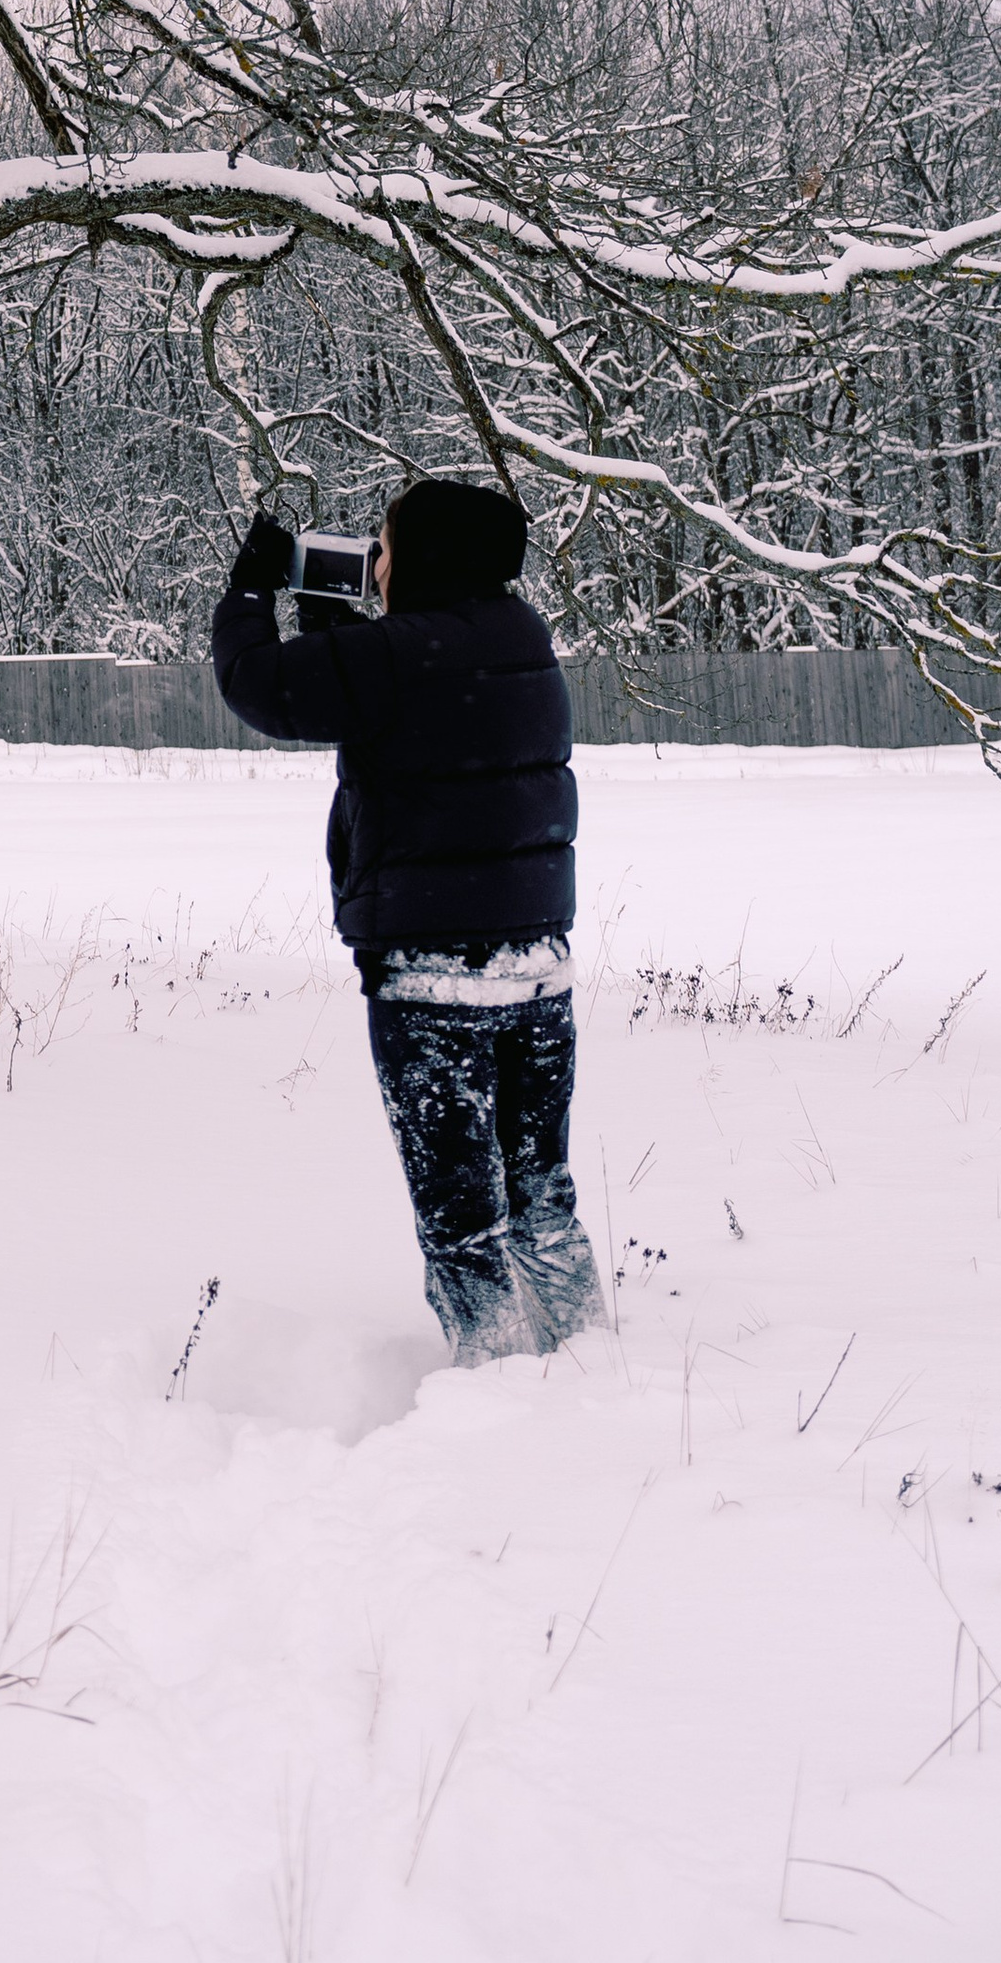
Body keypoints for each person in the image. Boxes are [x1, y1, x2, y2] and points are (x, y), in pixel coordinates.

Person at [213, 477, 605, 1366]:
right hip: (538, 969)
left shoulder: (402, 654)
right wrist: (330, 625)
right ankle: (586, 1360)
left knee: (463, 1214)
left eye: (384, 547)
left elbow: (260, 686)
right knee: (541, 1191)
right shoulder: (519, 636)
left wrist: (249, 590)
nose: (377, 565)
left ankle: (500, 1375)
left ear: (425, 557)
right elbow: (404, 695)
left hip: (434, 983)